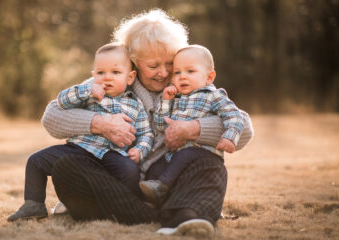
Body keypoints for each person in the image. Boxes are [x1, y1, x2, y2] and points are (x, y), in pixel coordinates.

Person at [42, 9, 254, 239]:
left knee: (209, 163)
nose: (164, 73)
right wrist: (100, 123)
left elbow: (244, 129)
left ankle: (185, 215)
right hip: (116, 184)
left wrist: (194, 129)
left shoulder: (189, 84)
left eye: (170, 64)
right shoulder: (112, 80)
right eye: (153, 66)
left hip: (168, 183)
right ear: (134, 64)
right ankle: (153, 214)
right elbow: (51, 117)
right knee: (67, 167)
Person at [7, 43, 153, 222]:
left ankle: (127, 205)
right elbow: (61, 102)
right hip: (78, 150)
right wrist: (86, 91)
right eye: (100, 73)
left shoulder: (135, 104)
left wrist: (140, 150)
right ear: (93, 75)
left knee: (130, 171)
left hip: (112, 154)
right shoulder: (87, 92)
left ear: (130, 77)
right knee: (36, 161)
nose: (107, 78)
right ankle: (34, 204)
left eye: (115, 72)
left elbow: (146, 133)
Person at [139, 44, 244, 206]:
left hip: (201, 153)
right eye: (177, 72)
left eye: (190, 71)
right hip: (174, 155)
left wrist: (230, 137)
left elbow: (234, 115)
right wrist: (166, 102)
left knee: (184, 156)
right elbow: (161, 125)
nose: (182, 77)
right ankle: (154, 200)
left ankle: (162, 187)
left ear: (209, 77)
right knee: (156, 167)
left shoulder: (213, 96)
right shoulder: (176, 98)